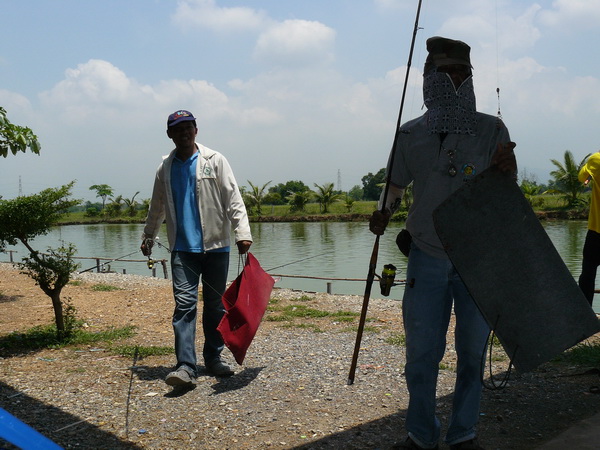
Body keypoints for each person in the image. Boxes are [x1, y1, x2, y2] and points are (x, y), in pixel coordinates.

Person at [370, 37, 517, 450]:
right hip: (426, 256)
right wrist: (383, 211)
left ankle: (463, 433)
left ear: (470, 79)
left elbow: (506, 191)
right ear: (427, 80)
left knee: (471, 355)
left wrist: (509, 169)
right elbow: (395, 186)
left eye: (461, 73)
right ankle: (420, 433)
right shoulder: (410, 133)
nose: (454, 80)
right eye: (445, 73)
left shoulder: (493, 129)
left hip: (477, 259)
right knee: (421, 355)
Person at [141, 110, 252, 386]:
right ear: (170, 134)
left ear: (196, 130)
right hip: (182, 249)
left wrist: (242, 233)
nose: (184, 133)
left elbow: (233, 197)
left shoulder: (215, 160)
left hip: (216, 246)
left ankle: (213, 359)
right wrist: (148, 235)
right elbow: (157, 207)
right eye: (178, 129)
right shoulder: (164, 167)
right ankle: (186, 367)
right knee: (185, 304)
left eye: (188, 128)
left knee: (215, 306)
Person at [578, 151, 600, 307]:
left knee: (588, 275)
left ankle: (584, 317)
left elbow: (581, 177)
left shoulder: (596, 160)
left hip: (597, 232)